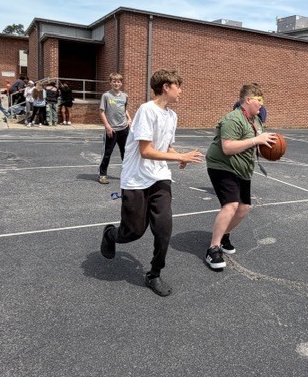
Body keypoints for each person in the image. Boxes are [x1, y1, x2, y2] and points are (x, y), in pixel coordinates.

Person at [100, 69, 204, 296]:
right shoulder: (147, 111)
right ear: (166, 87)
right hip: (136, 180)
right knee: (134, 232)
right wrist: (179, 157)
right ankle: (111, 234)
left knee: (164, 228)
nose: (181, 91)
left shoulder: (172, 116)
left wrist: (180, 156)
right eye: (178, 86)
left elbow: (165, 146)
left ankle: (154, 274)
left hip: (160, 177)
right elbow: (146, 150)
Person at [204, 83, 277, 270]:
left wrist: (269, 146)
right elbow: (227, 148)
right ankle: (213, 248)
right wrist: (256, 140)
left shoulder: (257, 121)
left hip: (242, 168)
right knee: (231, 205)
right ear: (248, 100)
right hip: (222, 165)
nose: (262, 105)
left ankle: (224, 235)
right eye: (259, 101)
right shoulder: (232, 119)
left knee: (244, 208)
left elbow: (256, 142)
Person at [98, 73, 132, 184]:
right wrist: (107, 126)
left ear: (121, 83)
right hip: (112, 130)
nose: (116, 83)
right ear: (110, 82)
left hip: (124, 129)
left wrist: (129, 119)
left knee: (125, 153)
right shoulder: (106, 96)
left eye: (118, 81)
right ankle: (102, 175)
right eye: (114, 81)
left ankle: (127, 174)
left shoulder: (124, 96)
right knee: (107, 153)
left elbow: (124, 109)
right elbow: (102, 112)